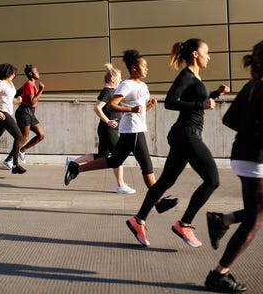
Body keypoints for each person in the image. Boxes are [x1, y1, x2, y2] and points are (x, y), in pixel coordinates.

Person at [204, 40, 263, 293]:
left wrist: (251, 133)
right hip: (254, 161)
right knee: (254, 221)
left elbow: (229, 119)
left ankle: (223, 220)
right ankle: (219, 274)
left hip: (247, 157)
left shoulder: (252, 86)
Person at [126, 38, 229, 247]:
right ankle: (185, 224)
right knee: (212, 180)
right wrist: (202, 102)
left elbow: (198, 101)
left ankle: (138, 221)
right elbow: (171, 101)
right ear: (194, 54)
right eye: (206, 52)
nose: (208, 56)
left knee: (165, 181)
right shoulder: (186, 75)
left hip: (186, 134)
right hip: (187, 134)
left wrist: (215, 94)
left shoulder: (195, 77)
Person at [65, 49, 178, 213]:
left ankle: (77, 168)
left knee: (114, 161)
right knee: (147, 165)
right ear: (133, 68)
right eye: (144, 66)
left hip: (136, 129)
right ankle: (158, 202)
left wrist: (149, 106)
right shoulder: (126, 84)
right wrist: (131, 109)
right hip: (132, 130)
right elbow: (112, 105)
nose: (147, 69)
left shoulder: (143, 86)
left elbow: (139, 110)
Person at [68, 63, 136, 194]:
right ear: (112, 79)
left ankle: (73, 162)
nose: (121, 80)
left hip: (108, 129)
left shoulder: (113, 92)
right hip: (108, 129)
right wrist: (109, 121)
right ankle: (120, 185)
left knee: (101, 156)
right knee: (118, 155)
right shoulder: (107, 92)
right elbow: (97, 108)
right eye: (119, 78)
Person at [0, 63, 26, 174]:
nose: (14, 74)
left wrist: (17, 101)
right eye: (13, 72)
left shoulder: (11, 84)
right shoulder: (1, 83)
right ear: (7, 72)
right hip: (3, 113)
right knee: (19, 136)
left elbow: (9, 99)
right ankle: (15, 166)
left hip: (7, 113)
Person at [15, 64, 45, 163]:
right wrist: (41, 90)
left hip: (30, 113)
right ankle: (9, 160)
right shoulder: (29, 84)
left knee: (41, 135)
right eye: (36, 71)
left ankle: (22, 150)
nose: (38, 73)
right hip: (24, 112)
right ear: (30, 73)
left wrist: (16, 98)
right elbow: (32, 101)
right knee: (23, 138)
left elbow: (17, 92)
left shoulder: (29, 84)